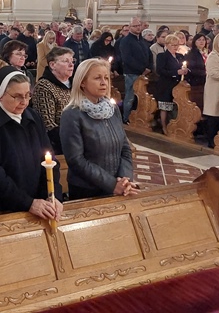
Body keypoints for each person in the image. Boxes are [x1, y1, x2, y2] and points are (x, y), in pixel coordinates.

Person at [0, 66, 63, 219]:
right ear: (1, 94)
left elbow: (49, 160)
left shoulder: (33, 118)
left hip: (37, 206)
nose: (24, 102)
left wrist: (53, 196)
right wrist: (27, 203)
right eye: (17, 96)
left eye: (28, 95)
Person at [59, 58, 136, 200]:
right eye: (97, 78)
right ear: (82, 82)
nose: (104, 82)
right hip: (87, 189)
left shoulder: (112, 109)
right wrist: (111, 184)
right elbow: (76, 160)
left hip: (119, 185)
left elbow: (125, 147)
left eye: (106, 78)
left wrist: (124, 179)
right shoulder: (72, 114)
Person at [31, 47, 75, 156]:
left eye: (72, 61)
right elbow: (47, 125)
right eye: (65, 61)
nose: (71, 65)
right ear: (52, 65)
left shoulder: (75, 84)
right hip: (58, 146)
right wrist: (75, 140)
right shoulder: (44, 86)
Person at [119, 17, 152, 123]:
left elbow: (149, 54)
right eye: (135, 26)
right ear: (130, 27)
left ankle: (139, 118)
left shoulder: (142, 40)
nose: (138, 28)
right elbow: (127, 59)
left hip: (144, 74)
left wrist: (149, 67)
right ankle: (126, 118)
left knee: (142, 97)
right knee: (130, 97)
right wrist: (142, 69)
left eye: (139, 25)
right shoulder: (126, 41)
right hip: (132, 73)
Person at [156, 34, 188, 135]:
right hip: (166, 85)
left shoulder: (180, 56)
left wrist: (185, 70)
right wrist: (176, 72)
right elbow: (160, 71)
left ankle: (175, 126)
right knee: (165, 107)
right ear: (167, 45)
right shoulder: (162, 56)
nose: (175, 47)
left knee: (176, 106)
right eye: (173, 45)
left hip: (177, 85)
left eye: (177, 45)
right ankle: (164, 126)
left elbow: (184, 66)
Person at [185, 33, 208, 111]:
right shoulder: (192, 53)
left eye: (203, 40)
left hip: (206, 81)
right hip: (197, 81)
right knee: (198, 102)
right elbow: (191, 68)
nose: (202, 42)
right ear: (195, 42)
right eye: (199, 40)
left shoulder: (207, 52)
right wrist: (204, 73)